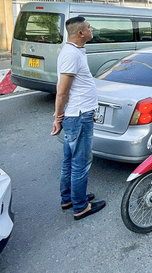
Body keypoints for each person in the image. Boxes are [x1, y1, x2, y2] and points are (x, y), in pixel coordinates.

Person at [51, 16, 106, 220]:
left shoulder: (75, 51)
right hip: (79, 115)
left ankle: (70, 198)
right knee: (80, 163)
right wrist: (58, 118)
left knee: (70, 161)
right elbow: (62, 91)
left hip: (76, 114)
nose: (92, 29)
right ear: (81, 33)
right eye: (89, 27)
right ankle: (81, 206)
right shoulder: (71, 55)